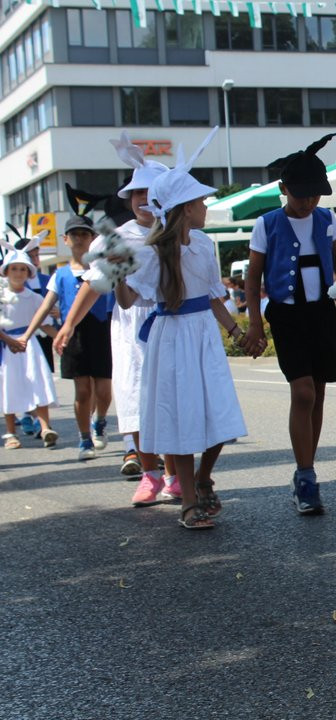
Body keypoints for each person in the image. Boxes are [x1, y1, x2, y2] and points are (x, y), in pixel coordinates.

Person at [116, 128, 249, 530]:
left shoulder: (205, 244)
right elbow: (126, 300)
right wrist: (118, 271)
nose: (206, 204)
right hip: (171, 337)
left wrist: (235, 332)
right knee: (182, 416)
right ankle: (188, 501)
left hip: (203, 335)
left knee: (218, 413)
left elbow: (211, 296)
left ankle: (203, 476)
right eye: (200, 200)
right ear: (183, 207)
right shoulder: (151, 251)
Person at [53, 134, 178, 500]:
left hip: (170, 324)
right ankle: (150, 473)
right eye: (137, 194)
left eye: (150, 193)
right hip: (130, 327)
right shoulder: (115, 239)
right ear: (130, 200)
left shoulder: (178, 233)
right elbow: (91, 287)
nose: (144, 200)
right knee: (134, 397)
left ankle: (175, 474)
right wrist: (69, 324)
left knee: (167, 401)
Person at [244, 135, 336, 515]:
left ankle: (308, 470)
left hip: (321, 312)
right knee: (302, 392)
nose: (309, 202)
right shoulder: (267, 224)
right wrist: (255, 324)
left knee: (317, 392)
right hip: (286, 314)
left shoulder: (327, 218)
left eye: (316, 195)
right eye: (301, 195)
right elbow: (253, 279)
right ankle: (304, 473)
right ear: (284, 190)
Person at [22, 213, 114, 461]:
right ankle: (85, 438)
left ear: (93, 238)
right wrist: (27, 335)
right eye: (75, 235)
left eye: (85, 234)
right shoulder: (60, 274)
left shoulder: (104, 268)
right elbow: (44, 306)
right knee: (82, 390)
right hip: (73, 335)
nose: (80, 239)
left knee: (104, 390)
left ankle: (100, 420)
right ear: (66, 239)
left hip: (102, 331)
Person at [0, 240, 58, 449]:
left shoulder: (34, 297)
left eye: (22, 269)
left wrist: (60, 337)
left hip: (30, 346)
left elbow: (45, 323)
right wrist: (9, 341)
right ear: (6, 271)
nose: (18, 273)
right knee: (10, 386)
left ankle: (45, 427)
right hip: (9, 348)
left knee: (37, 382)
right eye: (14, 269)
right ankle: (10, 433)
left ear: (29, 272)